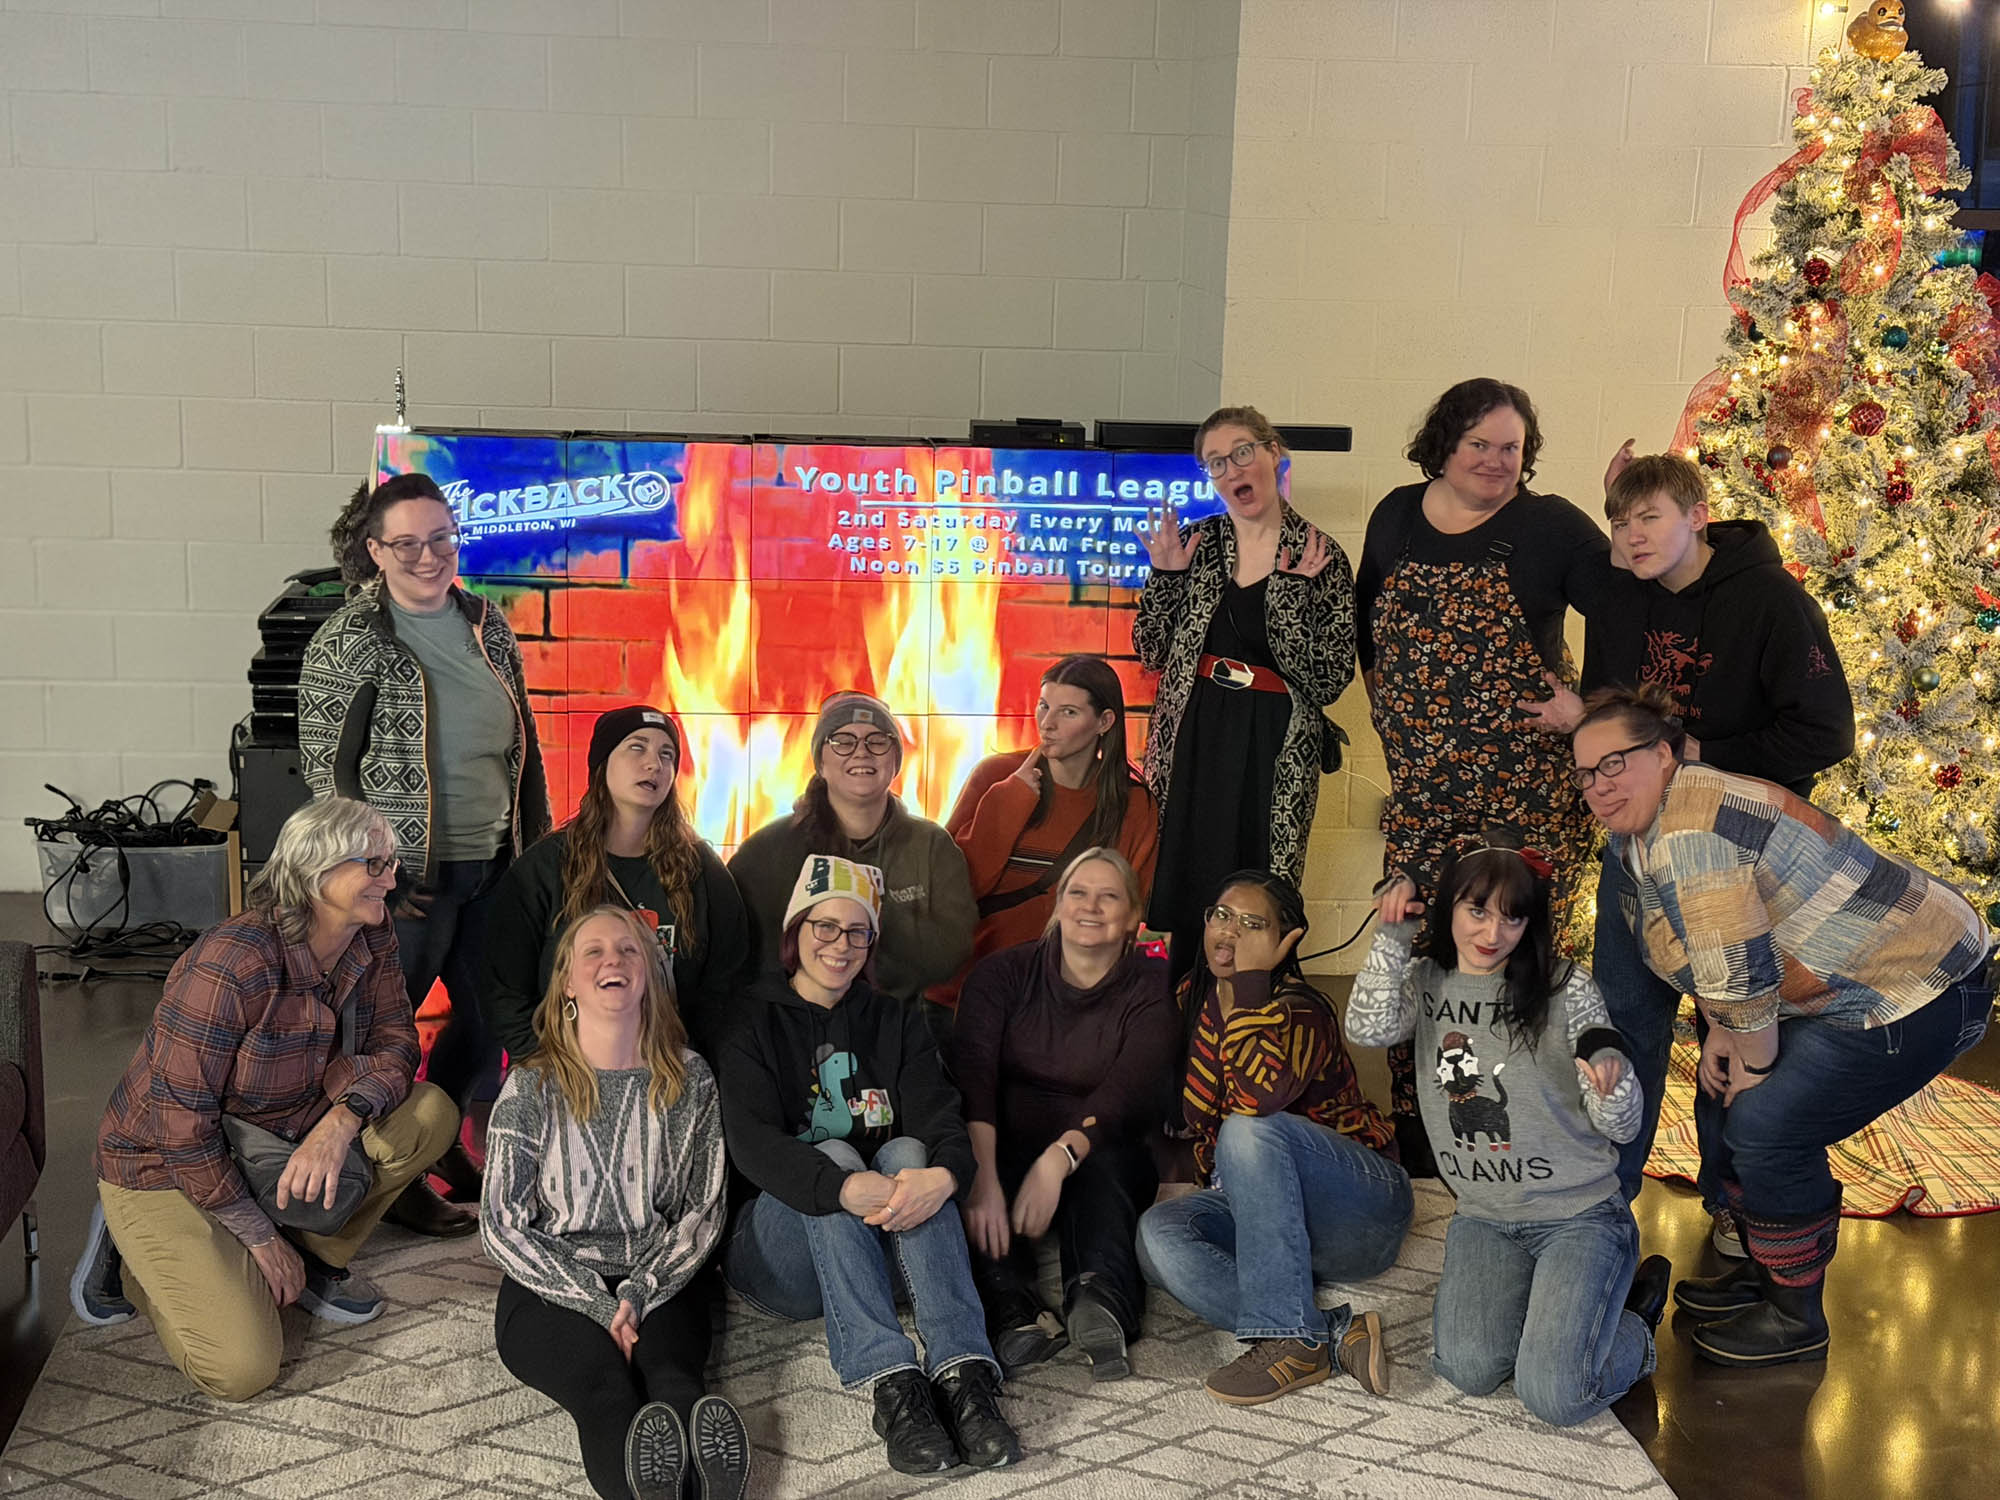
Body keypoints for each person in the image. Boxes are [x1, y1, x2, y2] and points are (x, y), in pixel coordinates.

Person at [1571, 684, 1993, 1365]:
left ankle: (1796, 1315)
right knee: (1726, 1097)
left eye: (1616, 762)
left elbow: (1740, 975)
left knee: (1766, 1123)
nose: (1599, 785)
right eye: (1587, 773)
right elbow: (1722, 947)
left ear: (1665, 754)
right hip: (1856, 975)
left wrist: (1750, 1057)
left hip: (1921, 986)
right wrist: (1731, 1044)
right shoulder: (1651, 829)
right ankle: (1765, 1271)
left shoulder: (1686, 834)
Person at [1520, 448, 1855, 1228]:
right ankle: (1608, 1200)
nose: (1633, 537)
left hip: (1733, 859)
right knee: (1624, 1022)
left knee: (1734, 1031)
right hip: (1636, 851)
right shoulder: (1615, 590)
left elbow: (1826, 732)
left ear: (1698, 516)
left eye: (1651, 518)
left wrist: (1698, 753)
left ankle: (1738, 1209)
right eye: (1621, 523)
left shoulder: (1769, 601)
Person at [70, 797, 461, 1400]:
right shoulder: (232, 962)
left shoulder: (371, 932)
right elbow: (180, 1126)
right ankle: (130, 1254)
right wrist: (258, 1238)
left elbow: (396, 1042)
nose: (391, 878)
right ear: (315, 872)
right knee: (242, 1369)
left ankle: (309, 1260)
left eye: (392, 861)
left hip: (279, 1134)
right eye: (374, 864)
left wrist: (343, 1119)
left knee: (429, 1112)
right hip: (166, 1163)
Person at [1356, 379, 1612, 1161]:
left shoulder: (1551, 527)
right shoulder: (1396, 514)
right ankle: (1426, 1139)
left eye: (1513, 448)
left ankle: (1536, 1135)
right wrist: (1397, 717)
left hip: (1528, 798)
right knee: (1426, 954)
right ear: (1443, 444)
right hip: (1427, 799)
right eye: (1481, 445)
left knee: (1521, 962)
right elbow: (1371, 621)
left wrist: (1592, 709)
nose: (1500, 461)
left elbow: (1629, 614)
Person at [299, 472, 551, 1232]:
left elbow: (526, 744)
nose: (426, 555)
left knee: (487, 1023)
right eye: (405, 543)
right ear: (375, 550)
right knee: (388, 1036)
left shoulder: (486, 622)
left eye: (439, 538)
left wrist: (533, 852)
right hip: (402, 882)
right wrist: (370, 869)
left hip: (491, 869)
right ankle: (392, 1180)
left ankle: (438, 1147)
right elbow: (326, 769)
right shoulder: (350, 639)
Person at [1348, 835, 1670, 1427]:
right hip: (1484, 1215)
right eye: (1478, 911)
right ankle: (1559, 1312)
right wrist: (1391, 937)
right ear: (1449, 908)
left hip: (1579, 1215)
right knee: (1469, 1369)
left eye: (1513, 916)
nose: (1493, 933)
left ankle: (1636, 1326)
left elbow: (1622, 1130)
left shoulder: (1566, 987)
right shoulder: (1426, 981)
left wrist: (1613, 1084)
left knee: (1555, 1393)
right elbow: (1368, 1028)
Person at [717, 855, 1019, 1476]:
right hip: (779, 1259)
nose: (840, 945)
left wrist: (946, 1176)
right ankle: (892, 1382)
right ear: (795, 932)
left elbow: (942, 1118)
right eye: (823, 927)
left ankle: (962, 1374)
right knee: (830, 1156)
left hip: (878, 1254)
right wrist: (843, 1186)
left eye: (857, 932)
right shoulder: (751, 1019)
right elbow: (750, 1144)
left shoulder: (894, 1019)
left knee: (911, 1155)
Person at [482, 906, 747, 1500]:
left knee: (677, 1383)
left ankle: (710, 1486)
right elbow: (501, 1224)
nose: (613, 961)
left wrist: (640, 1290)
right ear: (568, 983)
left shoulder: (691, 1080)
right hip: (551, 1285)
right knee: (605, 1392)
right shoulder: (532, 1087)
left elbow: (703, 1209)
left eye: (630, 951)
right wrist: (596, 1305)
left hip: (661, 1277)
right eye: (594, 952)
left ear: (651, 975)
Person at [1136, 871, 1411, 1407]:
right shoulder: (1192, 997)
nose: (1230, 930)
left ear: (1287, 940)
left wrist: (1252, 984)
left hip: (1362, 1211)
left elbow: (1256, 1102)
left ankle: (1286, 1337)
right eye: (1221, 915)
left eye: (1252, 923)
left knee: (1248, 1131)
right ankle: (1324, 1336)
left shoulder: (1300, 1008)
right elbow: (1189, 1113)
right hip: (1275, 1223)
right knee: (1157, 1235)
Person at [1134, 406, 1355, 978]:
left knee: (1263, 889)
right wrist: (1165, 577)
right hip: (1197, 732)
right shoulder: (1197, 543)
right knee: (1184, 879)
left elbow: (1330, 680)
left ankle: (1261, 1024)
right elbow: (1152, 653)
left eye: (1241, 452)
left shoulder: (1320, 555)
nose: (1231, 468)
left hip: (1273, 743)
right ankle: (1183, 1028)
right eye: (1215, 462)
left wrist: (1285, 595)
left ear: (1272, 453)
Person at [953, 848, 1177, 1379]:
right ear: (1057, 906)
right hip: (1004, 1136)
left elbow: (1123, 1096)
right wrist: (982, 1181)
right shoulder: (1001, 976)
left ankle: (1100, 1297)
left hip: (1100, 1144)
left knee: (1109, 1168)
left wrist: (1056, 1162)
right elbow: (974, 1080)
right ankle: (1013, 1304)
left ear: (1131, 918)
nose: (1091, 907)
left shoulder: (1151, 994)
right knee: (967, 1167)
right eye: (1078, 892)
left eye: (1109, 897)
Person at [484, 705, 750, 1063]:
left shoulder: (701, 870)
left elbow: (729, 983)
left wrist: (691, 1064)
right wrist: (542, 1063)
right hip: (565, 1068)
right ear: (602, 764)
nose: (654, 764)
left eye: (666, 754)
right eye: (637, 747)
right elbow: (504, 989)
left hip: (669, 1070)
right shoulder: (545, 868)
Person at [728, 691, 977, 1045]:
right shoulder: (765, 853)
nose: (861, 751)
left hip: (899, 1029)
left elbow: (952, 949)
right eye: (842, 741)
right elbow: (743, 956)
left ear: (895, 760)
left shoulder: (931, 847)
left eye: (878, 741)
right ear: (820, 762)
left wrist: (868, 915)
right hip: (791, 1032)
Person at [938, 655, 1158, 1008]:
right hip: (967, 993)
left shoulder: (1134, 804)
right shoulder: (995, 776)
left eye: (1068, 712)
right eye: (1043, 706)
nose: (1048, 723)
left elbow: (1132, 915)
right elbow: (956, 891)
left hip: (1066, 1001)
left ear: (1104, 721)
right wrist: (1010, 801)